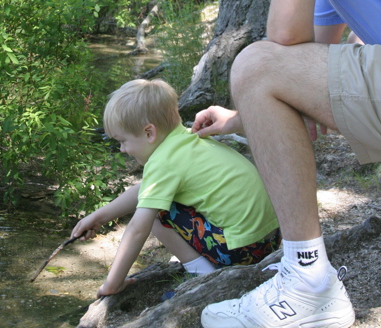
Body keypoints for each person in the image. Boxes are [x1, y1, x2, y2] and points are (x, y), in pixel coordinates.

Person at [193, 0, 381, 328]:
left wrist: (254, 88)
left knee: (251, 63)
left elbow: (280, 42)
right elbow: (307, 65)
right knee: (263, 70)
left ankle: (308, 282)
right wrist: (242, 119)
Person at [71, 78, 280, 299]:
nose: (122, 150)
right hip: (269, 241)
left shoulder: (163, 162)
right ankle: (206, 263)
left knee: (156, 215)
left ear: (149, 133)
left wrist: (112, 284)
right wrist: (99, 217)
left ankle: (202, 275)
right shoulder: (186, 139)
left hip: (240, 251)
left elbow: (137, 229)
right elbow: (146, 189)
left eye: (122, 141)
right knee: (158, 199)